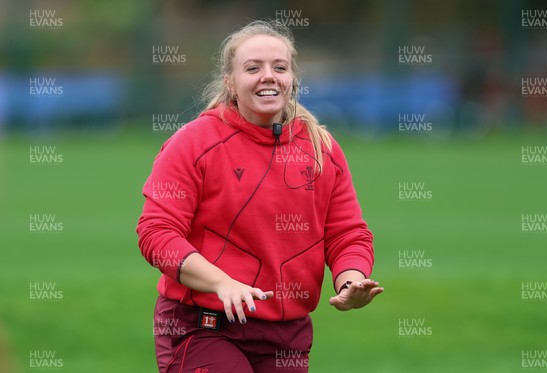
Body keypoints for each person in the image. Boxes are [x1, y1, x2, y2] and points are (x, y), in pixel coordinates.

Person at [137, 20, 383, 373]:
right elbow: (156, 233)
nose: (268, 76)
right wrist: (221, 283)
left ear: (292, 79)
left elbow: (348, 233)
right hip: (203, 327)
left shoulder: (322, 148)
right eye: (253, 68)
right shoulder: (192, 143)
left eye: (279, 67)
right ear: (230, 82)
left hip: (287, 336)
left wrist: (351, 279)